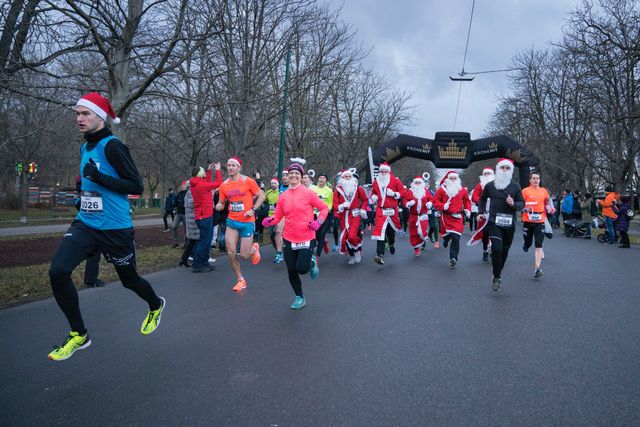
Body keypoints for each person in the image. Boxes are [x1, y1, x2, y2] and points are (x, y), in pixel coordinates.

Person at [47, 92, 165, 361]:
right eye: (77, 114)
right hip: (87, 224)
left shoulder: (113, 147)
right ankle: (79, 334)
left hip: (115, 228)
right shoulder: (84, 148)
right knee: (58, 271)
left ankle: (155, 304)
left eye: (85, 113)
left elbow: (135, 186)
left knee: (129, 281)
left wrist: (98, 177)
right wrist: (82, 196)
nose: (79, 118)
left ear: (100, 117)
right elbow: (90, 182)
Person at [262, 159, 328, 309]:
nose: (293, 175)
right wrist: (269, 221)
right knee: (291, 270)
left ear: (301, 177)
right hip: (289, 238)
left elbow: (324, 208)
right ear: (287, 175)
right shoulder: (283, 196)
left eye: (296, 173)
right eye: (291, 173)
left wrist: (318, 222)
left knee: (301, 269)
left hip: (306, 237)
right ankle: (299, 297)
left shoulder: (308, 193)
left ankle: (311, 262)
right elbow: (277, 216)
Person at [216, 157, 266, 291]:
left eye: (233, 165)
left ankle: (254, 249)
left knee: (244, 255)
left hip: (247, 222)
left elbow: (262, 195)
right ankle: (240, 280)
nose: (230, 168)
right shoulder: (224, 185)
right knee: (231, 253)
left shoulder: (248, 181)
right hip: (232, 221)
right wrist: (219, 205)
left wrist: (253, 209)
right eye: (228, 165)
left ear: (239, 167)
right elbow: (221, 202)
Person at [478, 159, 525, 291]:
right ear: (498, 169)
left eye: (507, 168)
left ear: (511, 170)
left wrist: (513, 204)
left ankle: (497, 272)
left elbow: (522, 203)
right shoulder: (490, 186)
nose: (504, 170)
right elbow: (482, 198)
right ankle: (497, 277)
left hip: (509, 224)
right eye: (502, 168)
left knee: (504, 251)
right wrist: (480, 212)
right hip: (494, 222)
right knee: (497, 249)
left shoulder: (515, 186)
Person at [433, 171, 471, 268]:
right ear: (447, 179)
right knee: (447, 236)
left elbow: (467, 201)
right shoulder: (441, 190)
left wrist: (467, 210)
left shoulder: (462, 190)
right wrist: (443, 206)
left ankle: (453, 258)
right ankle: (446, 239)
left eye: (455, 178)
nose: (453, 180)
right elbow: (435, 201)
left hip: (457, 218)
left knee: (456, 237)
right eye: (451, 178)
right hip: (446, 217)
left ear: (458, 179)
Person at [189, 162, 222, 272]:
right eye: (203, 172)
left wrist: (208, 171)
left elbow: (206, 182)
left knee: (206, 241)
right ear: (200, 174)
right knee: (204, 242)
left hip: (203, 216)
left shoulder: (197, 183)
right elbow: (218, 183)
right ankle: (197, 265)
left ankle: (204, 263)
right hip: (204, 217)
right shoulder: (201, 185)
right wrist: (218, 170)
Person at [521, 171, 555, 279]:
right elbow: (520, 203)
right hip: (528, 220)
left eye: (537, 178)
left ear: (539, 180)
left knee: (539, 244)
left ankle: (537, 269)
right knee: (528, 242)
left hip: (540, 220)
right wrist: (525, 208)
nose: (536, 180)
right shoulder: (525, 191)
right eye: (534, 178)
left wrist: (550, 208)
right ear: (530, 180)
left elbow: (548, 201)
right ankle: (526, 244)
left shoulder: (544, 190)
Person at [370, 162, 405, 265]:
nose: (383, 173)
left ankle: (391, 243)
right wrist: (373, 196)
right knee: (380, 231)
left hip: (392, 211)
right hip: (381, 210)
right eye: (381, 171)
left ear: (388, 172)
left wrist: (394, 194)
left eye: (385, 171)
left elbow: (403, 192)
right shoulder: (376, 182)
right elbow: (373, 192)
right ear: (379, 172)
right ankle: (379, 255)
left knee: (390, 231)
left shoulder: (395, 180)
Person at [333, 168, 369, 264]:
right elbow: (334, 205)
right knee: (345, 238)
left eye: (349, 176)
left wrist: (363, 209)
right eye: (346, 177)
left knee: (352, 236)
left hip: (355, 215)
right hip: (344, 216)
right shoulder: (337, 190)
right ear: (342, 178)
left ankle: (357, 250)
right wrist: (341, 205)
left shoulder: (358, 188)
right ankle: (352, 255)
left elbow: (365, 200)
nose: (348, 178)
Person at [403, 173, 434, 256]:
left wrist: (430, 203)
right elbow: (405, 200)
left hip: (423, 215)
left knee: (421, 231)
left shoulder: (425, 191)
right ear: (413, 184)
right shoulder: (410, 192)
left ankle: (424, 237)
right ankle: (416, 248)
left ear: (422, 183)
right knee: (414, 233)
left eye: (419, 183)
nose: (417, 184)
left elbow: (432, 199)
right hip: (413, 215)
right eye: (416, 183)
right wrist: (408, 203)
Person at [471, 167, 495, 261]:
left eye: (489, 174)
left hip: (495, 212)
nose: (487, 175)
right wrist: (483, 201)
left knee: (495, 232)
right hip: (484, 213)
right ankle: (485, 250)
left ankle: (493, 249)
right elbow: (474, 197)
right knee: (485, 233)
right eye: (485, 174)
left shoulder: (497, 184)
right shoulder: (480, 185)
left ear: (492, 175)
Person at [312, 173, 334, 258]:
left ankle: (317, 256)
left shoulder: (329, 190)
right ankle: (317, 245)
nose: (321, 179)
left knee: (321, 234)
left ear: (326, 181)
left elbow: (330, 203)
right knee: (314, 233)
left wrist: (327, 209)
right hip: (313, 214)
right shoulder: (313, 189)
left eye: (323, 178)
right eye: (320, 177)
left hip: (324, 215)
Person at [179, 181, 198, 267]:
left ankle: (184, 259)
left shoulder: (188, 193)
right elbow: (193, 203)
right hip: (193, 220)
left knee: (192, 242)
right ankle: (195, 259)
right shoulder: (191, 192)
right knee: (196, 241)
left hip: (191, 220)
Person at [264, 177, 283, 263]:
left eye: (274, 183)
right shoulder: (268, 192)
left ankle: (279, 252)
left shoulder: (280, 193)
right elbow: (264, 200)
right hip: (270, 216)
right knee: (271, 235)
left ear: (278, 184)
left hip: (279, 216)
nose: (273, 185)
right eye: (272, 183)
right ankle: (278, 250)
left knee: (278, 232)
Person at [171, 181, 188, 248]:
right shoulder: (179, 194)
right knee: (174, 227)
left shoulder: (188, 194)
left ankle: (186, 243)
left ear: (186, 187)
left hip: (185, 214)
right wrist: (174, 203)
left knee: (186, 229)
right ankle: (176, 243)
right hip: (178, 213)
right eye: (182, 186)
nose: (182, 187)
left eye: (184, 186)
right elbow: (175, 203)